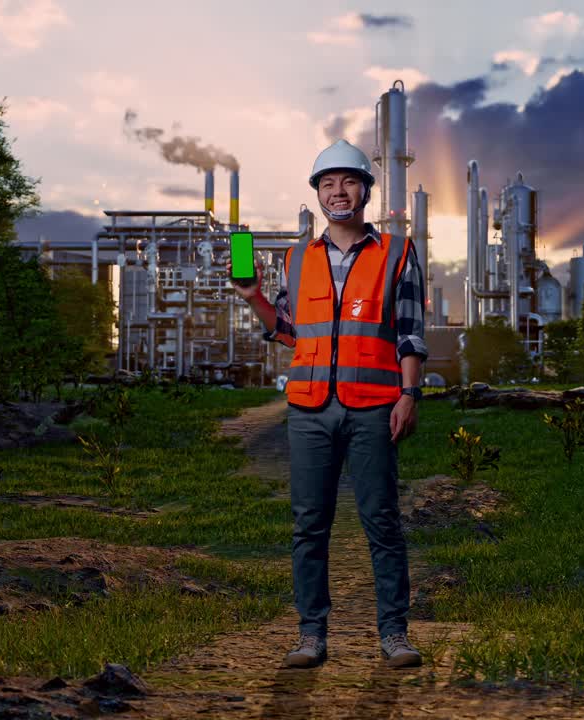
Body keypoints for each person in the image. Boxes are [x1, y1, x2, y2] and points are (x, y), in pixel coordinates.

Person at [230, 139, 427, 669]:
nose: (337, 193)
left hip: (373, 405)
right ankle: (311, 635)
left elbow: (410, 332)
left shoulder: (397, 253)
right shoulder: (297, 258)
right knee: (308, 524)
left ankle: (394, 634)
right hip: (311, 408)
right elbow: (291, 332)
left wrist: (409, 395)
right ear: (317, 194)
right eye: (326, 184)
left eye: (347, 182)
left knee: (381, 520)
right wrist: (253, 298)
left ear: (366, 189)